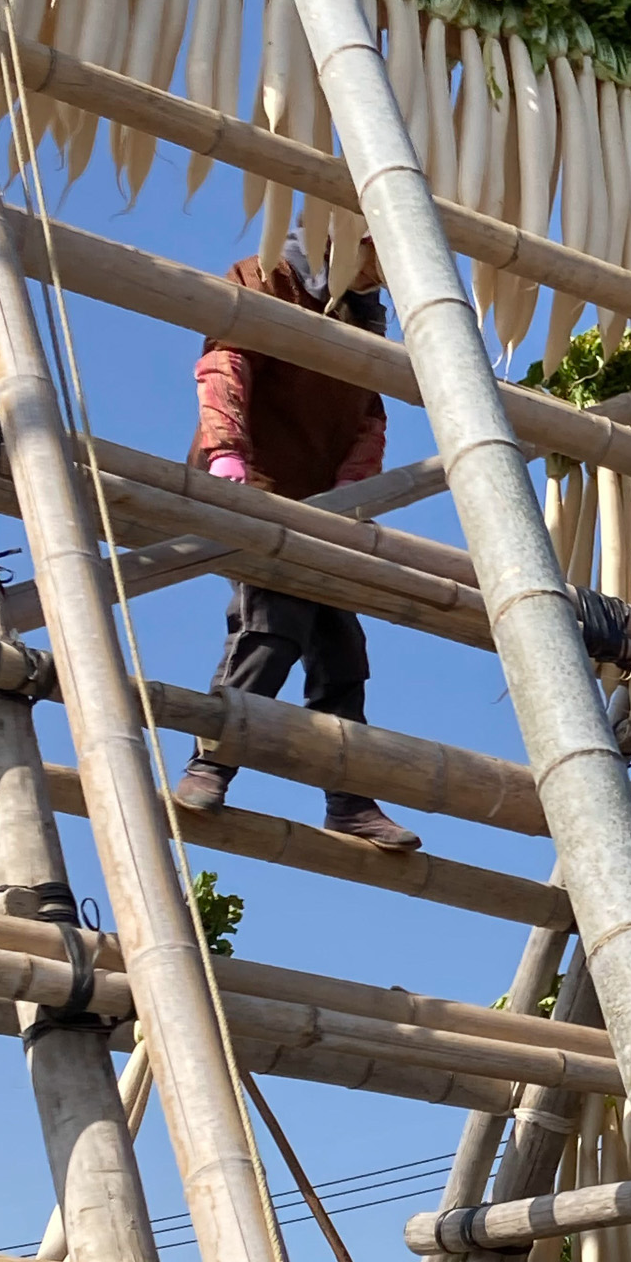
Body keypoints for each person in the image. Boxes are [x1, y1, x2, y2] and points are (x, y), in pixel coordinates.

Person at [172, 226, 421, 850]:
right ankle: (211, 762)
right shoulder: (266, 276)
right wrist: (226, 453)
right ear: (345, 238)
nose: (384, 273)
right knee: (272, 621)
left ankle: (349, 796)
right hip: (256, 481)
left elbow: (369, 414)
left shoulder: (364, 318)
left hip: (325, 503)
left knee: (340, 647)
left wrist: (355, 493)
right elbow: (224, 364)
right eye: (377, 254)